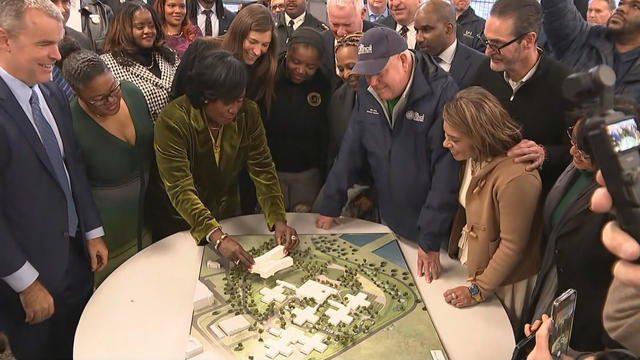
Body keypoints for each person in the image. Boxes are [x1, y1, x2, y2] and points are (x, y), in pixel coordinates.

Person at [0, 0, 108, 358]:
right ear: (5, 39)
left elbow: (71, 164)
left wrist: (92, 230)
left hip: (75, 263)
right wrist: (25, 282)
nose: (57, 55)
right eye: (44, 44)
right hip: (28, 283)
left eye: (58, 43)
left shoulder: (50, 92)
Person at [316, 27, 459, 284]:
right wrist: (330, 204)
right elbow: (351, 147)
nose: (372, 82)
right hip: (388, 218)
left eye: (379, 73)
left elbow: (445, 172)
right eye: (367, 74)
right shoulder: (367, 89)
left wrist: (430, 239)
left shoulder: (442, 93)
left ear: (403, 60)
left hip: (430, 234)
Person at [153, 50, 299, 263]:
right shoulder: (172, 121)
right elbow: (179, 188)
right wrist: (217, 238)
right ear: (206, 97)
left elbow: (262, 167)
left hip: (229, 214)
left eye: (239, 99)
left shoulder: (248, 113)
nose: (234, 109)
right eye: (227, 102)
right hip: (181, 221)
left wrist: (278, 219)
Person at [441, 86, 541, 329]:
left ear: (480, 136)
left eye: (454, 139)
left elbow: (512, 246)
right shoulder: (472, 157)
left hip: (504, 284)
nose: (446, 144)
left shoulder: (517, 177)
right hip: (475, 268)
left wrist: (477, 290)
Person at [62, 50, 154, 286]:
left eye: (113, 89)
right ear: (78, 94)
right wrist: (93, 237)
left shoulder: (132, 93)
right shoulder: (71, 122)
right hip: (108, 238)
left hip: (150, 222)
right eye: (99, 99)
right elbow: (76, 188)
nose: (112, 100)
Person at [525, 118, 616, 351]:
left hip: (585, 318)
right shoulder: (576, 168)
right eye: (572, 140)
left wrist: (557, 324)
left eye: (583, 150)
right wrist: (548, 316)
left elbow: (591, 275)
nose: (572, 151)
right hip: (556, 285)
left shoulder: (614, 206)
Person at [472, 0, 571, 195]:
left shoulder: (564, 84)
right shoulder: (484, 71)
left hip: (533, 200)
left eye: (497, 44)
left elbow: (578, 151)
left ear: (528, 40)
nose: (487, 51)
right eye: (486, 41)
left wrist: (545, 154)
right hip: (484, 191)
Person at [265, 27, 330, 212]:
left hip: (307, 174)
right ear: (287, 52)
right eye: (295, 62)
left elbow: (325, 133)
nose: (301, 70)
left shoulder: (324, 83)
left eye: (310, 67)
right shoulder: (270, 75)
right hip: (272, 172)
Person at [541, 0, 640, 102]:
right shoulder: (580, 37)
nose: (621, 9)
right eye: (621, 3)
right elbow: (556, 6)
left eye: (636, 6)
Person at [101, 1, 179, 119]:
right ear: (123, 30)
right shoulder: (108, 64)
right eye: (140, 27)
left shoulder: (167, 53)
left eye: (151, 25)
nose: (148, 31)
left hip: (178, 132)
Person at [415, 0, 485, 89]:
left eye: (426, 30)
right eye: (416, 30)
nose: (418, 38)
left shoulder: (480, 65)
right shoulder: (414, 59)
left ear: (448, 29)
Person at [321, 0, 381, 77]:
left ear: (362, 13)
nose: (340, 32)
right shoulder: (318, 45)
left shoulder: (382, 40)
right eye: (335, 24)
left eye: (347, 25)